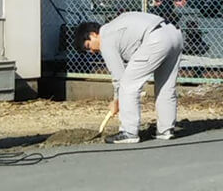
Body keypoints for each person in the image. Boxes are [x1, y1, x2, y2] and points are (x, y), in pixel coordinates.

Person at [74, 12, 183, 144]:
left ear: (93, 34)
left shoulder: (106, 38)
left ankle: (129, 132)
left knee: (128, 84)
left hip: (155, 39)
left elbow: (118, 77)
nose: (92, 51)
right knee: (166, 86)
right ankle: (165, 131)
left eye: (88, 46)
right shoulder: (115, 26)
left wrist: (116, 101)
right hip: (173, 34)